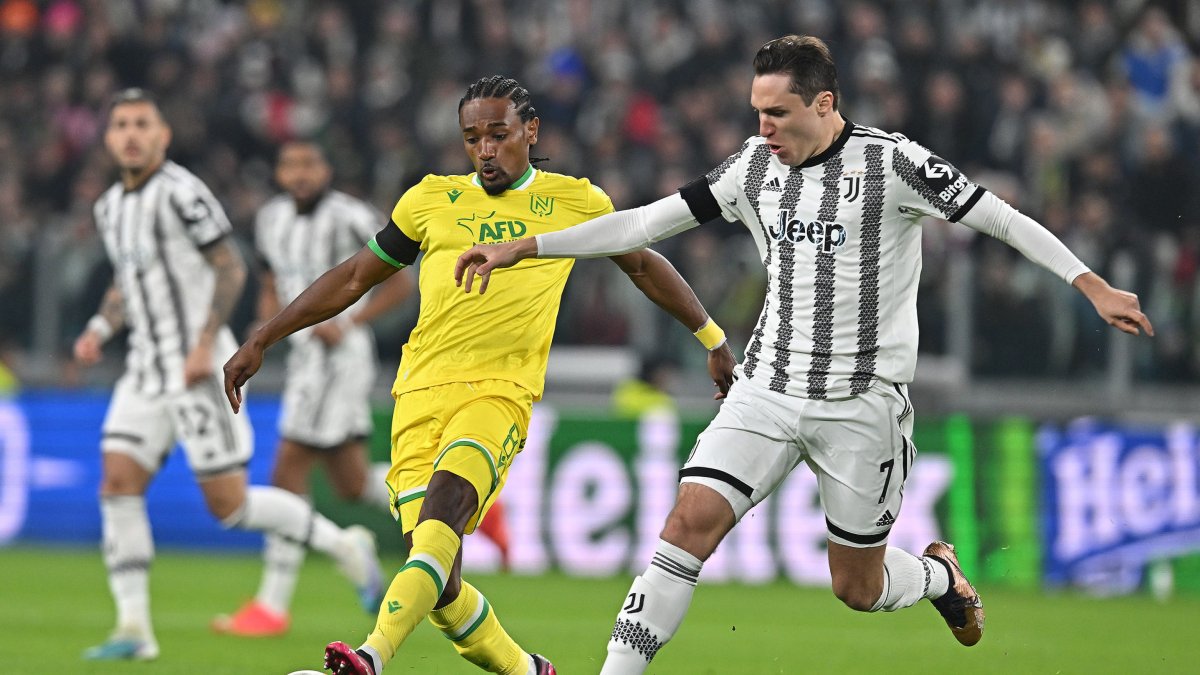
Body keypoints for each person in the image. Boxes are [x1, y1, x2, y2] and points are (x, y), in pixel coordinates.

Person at [455, 36, 1155, 672]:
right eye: (757, 112)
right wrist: (524, 246)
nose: (764, 129)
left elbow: (997, 215)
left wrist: (1089, 284)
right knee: (685, 521)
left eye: (779, 113)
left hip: (862, 405)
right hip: (767, 388)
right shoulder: (752, 168)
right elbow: (644, 222)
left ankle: (941, 575)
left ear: (824, 104)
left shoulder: (893, 163)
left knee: (857, 586)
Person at [222, 75, 736, 675]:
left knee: (441, 521)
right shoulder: (429, 200)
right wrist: (263, 336)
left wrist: (713, 337)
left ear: (530, 131)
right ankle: (528, 672)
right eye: (473, 138)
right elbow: (355, 277)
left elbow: (643, 264)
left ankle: (368, 657)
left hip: (499, 393)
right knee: (440, 584)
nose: (485, 149)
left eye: (498, 134)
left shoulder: (574, 201)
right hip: (417, 396)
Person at [73, 88, 383, 661]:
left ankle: (344, 546)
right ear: (110, 138)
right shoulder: (109, 206)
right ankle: (135, 629)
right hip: (144, 369)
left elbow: (229, 264)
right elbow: (127, 281)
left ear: (163, 135)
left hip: (196, 369)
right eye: (121, 125)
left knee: (230, 507)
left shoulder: (182, 193)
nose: (132, 133)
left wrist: (202, 341)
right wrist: (99, 326)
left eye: (143, 123)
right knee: (117, 481)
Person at [213, 141, 414, 637]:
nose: (300, 174)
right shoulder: (271, 219)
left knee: (288, 471)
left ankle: (272, 606)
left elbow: (399, 284)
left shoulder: (350, 215)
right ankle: (438, 492)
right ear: (279, 173)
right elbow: (269, 279)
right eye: (290, 165)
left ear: (326, 169)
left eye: (310, 164)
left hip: (338, 359)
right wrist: (266, 322)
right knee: (349, 485)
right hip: (305, 359)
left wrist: (349, 323)